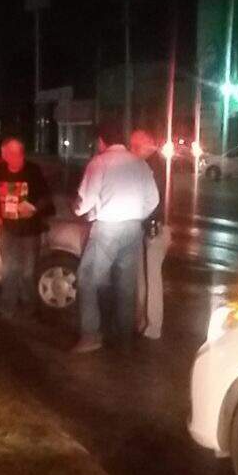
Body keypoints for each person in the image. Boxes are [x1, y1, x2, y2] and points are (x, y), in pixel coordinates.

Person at [72, 120, 159, 353]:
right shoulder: (140, 164)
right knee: (126, 284)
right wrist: (137, 214)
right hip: (132, 229)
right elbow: (153, 199)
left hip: (108, 227)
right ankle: (124, 338)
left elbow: (87, 199)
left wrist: (78, 209)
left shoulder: (99, 162)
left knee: (87, 279)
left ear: (101, 141)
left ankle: (91, 335)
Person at [0, 136, 53, 320]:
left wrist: (34, 209)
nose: (18, 156)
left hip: (30, 230)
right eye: (13, 153)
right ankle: (7, 307)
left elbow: (46, 196)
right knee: (9, 270)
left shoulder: (33, 171)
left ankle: (29, 307)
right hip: (7, 229)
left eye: (20, 152)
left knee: (28, 271)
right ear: (4, 154)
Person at [130, 128, 170, 340]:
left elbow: (154, 200)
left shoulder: (152, 166)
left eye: (135, 147)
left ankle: (153, 326)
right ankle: (143, 321)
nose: (133, 151)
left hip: (155, 227)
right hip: (149, 226)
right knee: (144, 277)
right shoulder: (152, 164)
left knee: (151, 278)